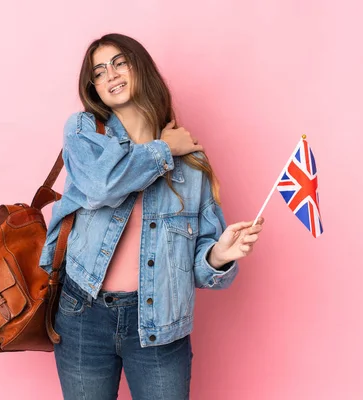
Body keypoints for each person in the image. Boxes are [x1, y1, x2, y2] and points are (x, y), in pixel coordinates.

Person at [39, 33, 265, 400]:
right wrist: (163, 150)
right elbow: (101, 188)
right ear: (93, 88)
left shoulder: (191, 165)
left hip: (161, 322)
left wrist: (220, 255)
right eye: (98, 72)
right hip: (83, 314)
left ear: (140, 67)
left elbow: (204, 272)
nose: (110, 74)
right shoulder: (84, 132)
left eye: (119, 63)